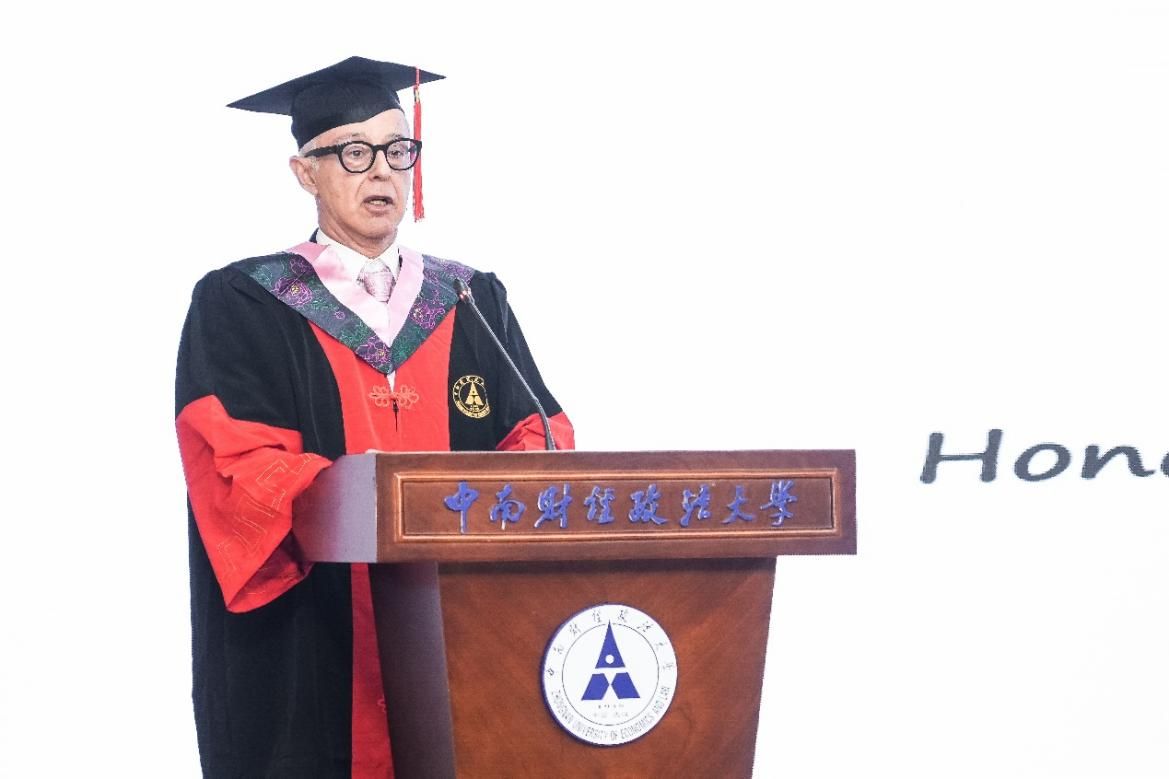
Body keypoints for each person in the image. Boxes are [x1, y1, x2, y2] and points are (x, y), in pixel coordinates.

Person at [175, 56, 573, 778]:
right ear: (305, 173)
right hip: (312, 632)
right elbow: (232, 458)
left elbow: (537, 434)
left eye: (397, 150)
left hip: (460, 626)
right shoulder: (244, 302)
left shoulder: (470, 298)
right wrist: (371, 510)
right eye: (353, 153)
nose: (381, 171)